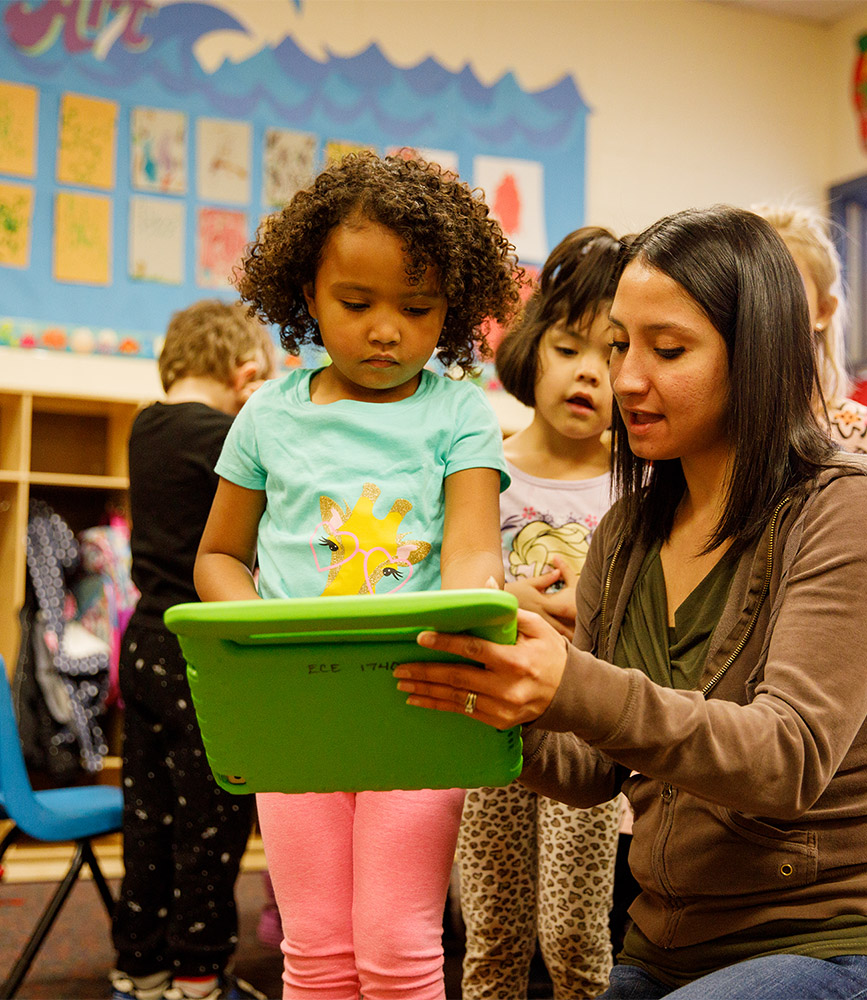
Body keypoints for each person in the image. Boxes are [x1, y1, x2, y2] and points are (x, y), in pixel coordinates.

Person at [393, 205, 867, 1000]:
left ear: (756, 354)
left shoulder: (839, 511)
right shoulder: (626, 532)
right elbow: (593, 770)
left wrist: (570, 684)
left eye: (667, 349)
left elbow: (785, 758)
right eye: (619, 345)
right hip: (662, 945)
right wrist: (491, 705)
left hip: (820, 940)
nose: (624, 379)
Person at [193, 151, 521, 1000]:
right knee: (315, 951)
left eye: (417, 309)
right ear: (306, 294)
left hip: (416, 707)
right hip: (294, 712)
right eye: (356, 302)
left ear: (451, 311)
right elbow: (218, 558)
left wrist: (474, 618)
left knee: (396, 946)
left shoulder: (457, 412)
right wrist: (262, 634)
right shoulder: (267, 414)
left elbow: (474, 559)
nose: (387, 330)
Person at [457, 227, 623, 999]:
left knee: (575, 940)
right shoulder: (481, 468)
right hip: (489, 730)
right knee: (489, 936)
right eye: (568, 349)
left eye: (612, 356)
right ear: (533, 349)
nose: (588, 373)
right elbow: (454, 583)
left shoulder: (639, 490)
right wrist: (511, 597)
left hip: (586, 739)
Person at [110, 300, 276, 1000]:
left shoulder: (145, 427)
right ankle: (200, 973)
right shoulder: (226, 436)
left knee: (147, 817)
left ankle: (138, 968)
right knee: (210, 820)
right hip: (200, 650)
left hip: (142, 641)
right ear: (244, 374)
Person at [754, 204, 867, 454]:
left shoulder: (858, 432)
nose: (759, 301)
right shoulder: (710, 431)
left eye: (781, 284)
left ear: (823, 310)